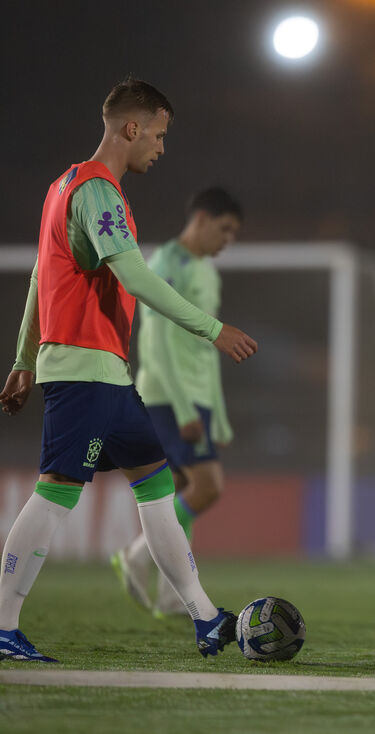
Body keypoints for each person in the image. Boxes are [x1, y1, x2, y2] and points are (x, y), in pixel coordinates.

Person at [0, 77, 257, 662]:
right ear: (131, 127)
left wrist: (21, 360)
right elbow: (135, 277)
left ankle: (205, 617)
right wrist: (215, 330)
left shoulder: (61, 186)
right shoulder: (97, 191)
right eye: (160, 135)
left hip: (109, 376)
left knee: (159, 489)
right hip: (84, 370)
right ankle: (3, 625)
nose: (162, 148)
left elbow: (41, 277)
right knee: (57, 490)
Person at [111, 186, 243, 617]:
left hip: (196, 398)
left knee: (185, 489)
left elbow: (207, 354)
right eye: (224, 229)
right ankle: (142, 559)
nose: (228, 240)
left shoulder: (208, 272)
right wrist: (186, 411)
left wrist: (218, 418)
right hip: (168, 397)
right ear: (202, 219)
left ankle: (164, 585)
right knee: (207, 487)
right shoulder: (167, 262)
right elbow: (159, 342)